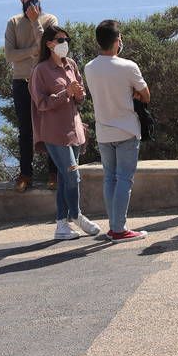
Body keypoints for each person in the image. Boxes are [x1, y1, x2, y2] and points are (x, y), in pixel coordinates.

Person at [29, 25, 101, 240]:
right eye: (60, 40)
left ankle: (61, 225)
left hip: (74, 131)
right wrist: (65, 93)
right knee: (73, 176)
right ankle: (77, 215)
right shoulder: (40, 71)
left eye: (66, 39)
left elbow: (80, 96)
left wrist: (78, 93)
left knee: (64, 177)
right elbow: (40, 103)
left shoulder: (71, 65)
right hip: (55, 133)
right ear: (49, 43)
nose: (65, 44)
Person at [83, 19, 151, 242]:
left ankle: (113, 226)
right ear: (116, 41)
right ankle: (119, 229)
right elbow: (146, 95)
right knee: (124, 179)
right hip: (126, 131)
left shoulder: (89, 68)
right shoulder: (128, 66)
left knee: (109, 179)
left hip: (103, 131)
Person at [4, 0, 58, 192]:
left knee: (50, 127)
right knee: (25, 130)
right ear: (22, 0)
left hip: (46, 81)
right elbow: (10, 55)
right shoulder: (13, 23)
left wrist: (36, 24)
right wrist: (35, 50)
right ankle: (26, 174)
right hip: (22, 81)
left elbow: (50, 47)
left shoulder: (50, 20)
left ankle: (54, 172)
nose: (32, 1)